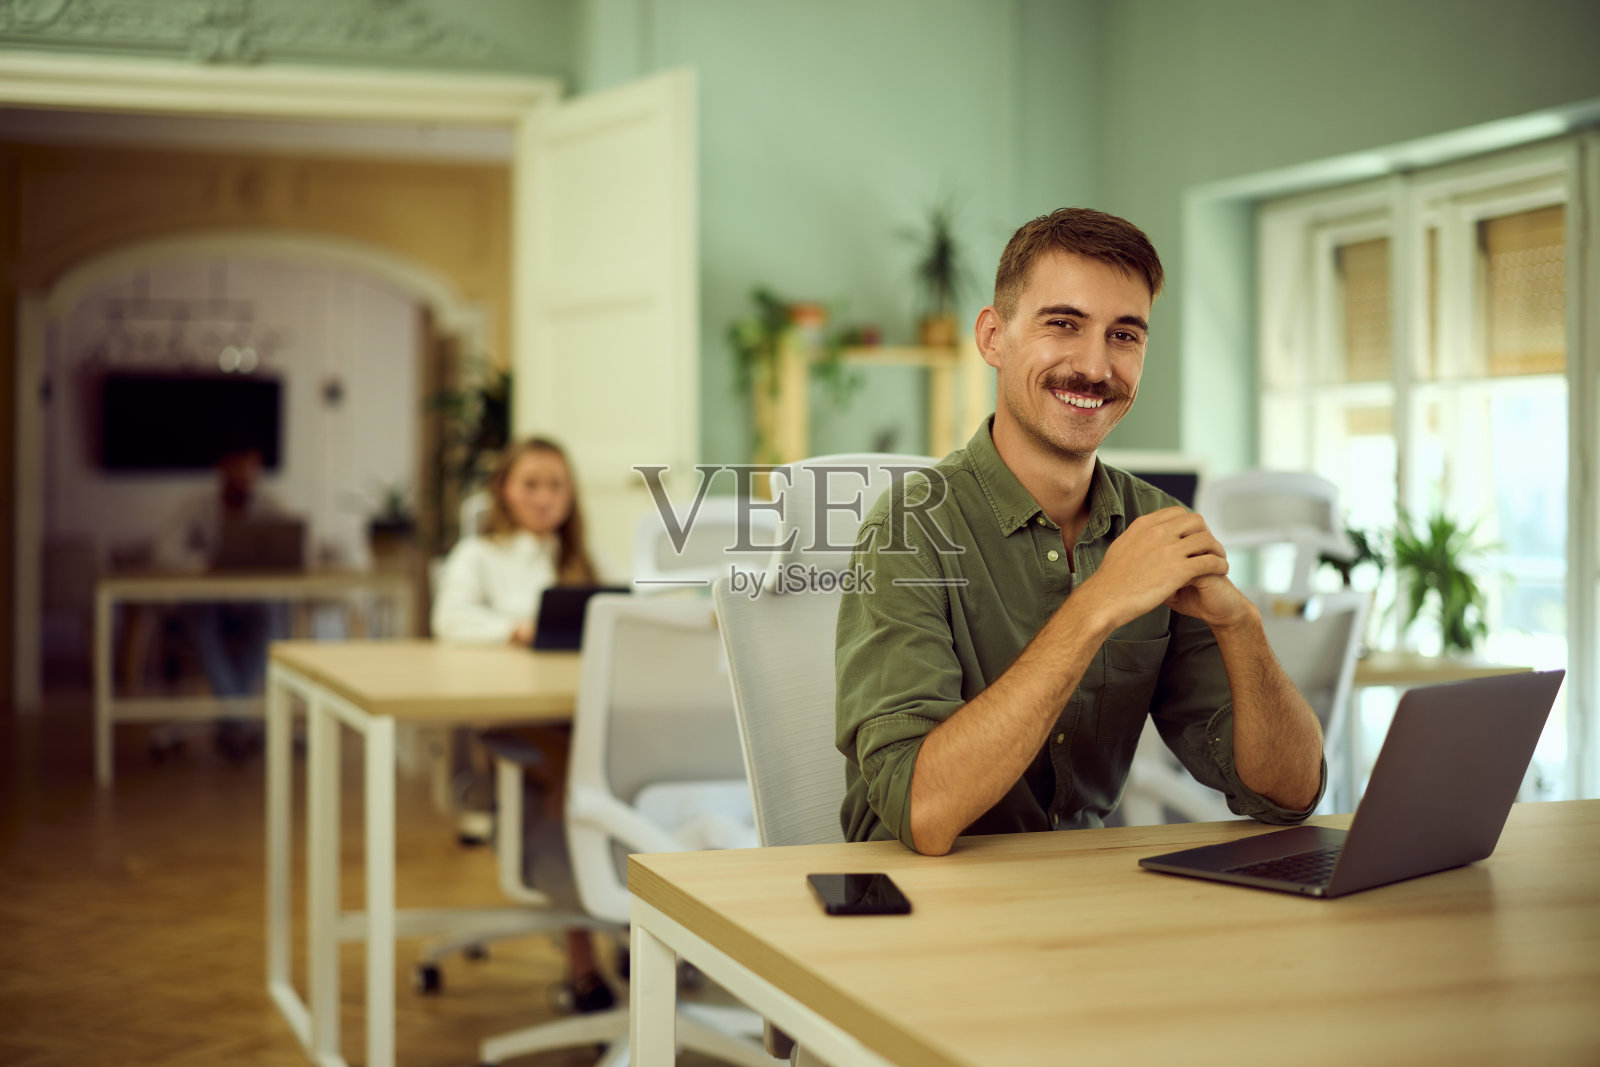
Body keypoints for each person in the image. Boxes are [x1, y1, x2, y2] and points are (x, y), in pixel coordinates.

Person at [836, 207, 1326, 856]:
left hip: (1085, 900)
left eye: (1125, 336)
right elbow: (922, 810)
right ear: (992, 338)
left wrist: (1242, 625)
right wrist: (1097, 604)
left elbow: (1287, 793)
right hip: (918, 911)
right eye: (1063, 324)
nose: (1095, 367)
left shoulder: (1157, 528)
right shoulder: (907, 531)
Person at [430, 436, 617, 1013]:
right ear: (505, 492)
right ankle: (584, 956)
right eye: (530, 484)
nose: (543, 497)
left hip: (576, 713)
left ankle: (627, 913)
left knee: (616, 758)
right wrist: (513, 630)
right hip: (513, 721)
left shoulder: (579, 559)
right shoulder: (479, 555)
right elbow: (449, 620)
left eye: (555, 485)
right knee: (576, 776)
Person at [154, 446, 290, 759]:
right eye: (237, 468)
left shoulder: (268, 505)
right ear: (222, 468)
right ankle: (239, 717)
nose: (244, 476)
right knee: (198, 614)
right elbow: (164, 553)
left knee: (271, 615)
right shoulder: (196, 506)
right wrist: (205, 563)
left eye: (250, 469)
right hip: (209, 604)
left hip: (251, 603)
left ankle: (233, 715)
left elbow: (298, 547)